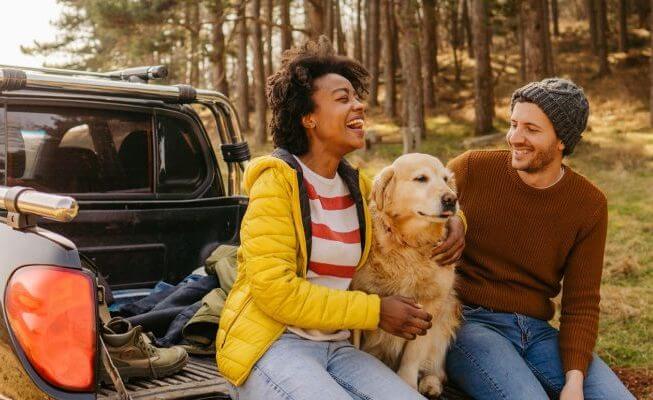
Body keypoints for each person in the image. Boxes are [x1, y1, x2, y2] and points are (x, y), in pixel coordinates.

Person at [216, 37, 432, 400]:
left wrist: (456, 222)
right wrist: (375, 311)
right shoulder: (276, 182)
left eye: (356, 96)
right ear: (308, 117)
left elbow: (419, 204)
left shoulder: (356, 185)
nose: (359, 105)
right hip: (273, 343)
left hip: (338, 346)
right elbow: (276, 293)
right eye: (343, 98)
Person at [434, 78, 635, 400]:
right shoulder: (472, 168)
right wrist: (456, 218)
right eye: (513, 124)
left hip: (538, 333)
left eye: (531, 129)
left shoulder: (589, 204)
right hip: (469, 322)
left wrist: (574, 381)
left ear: (561, 141)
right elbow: (419, 204)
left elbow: (581, 303)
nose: (515, 137)